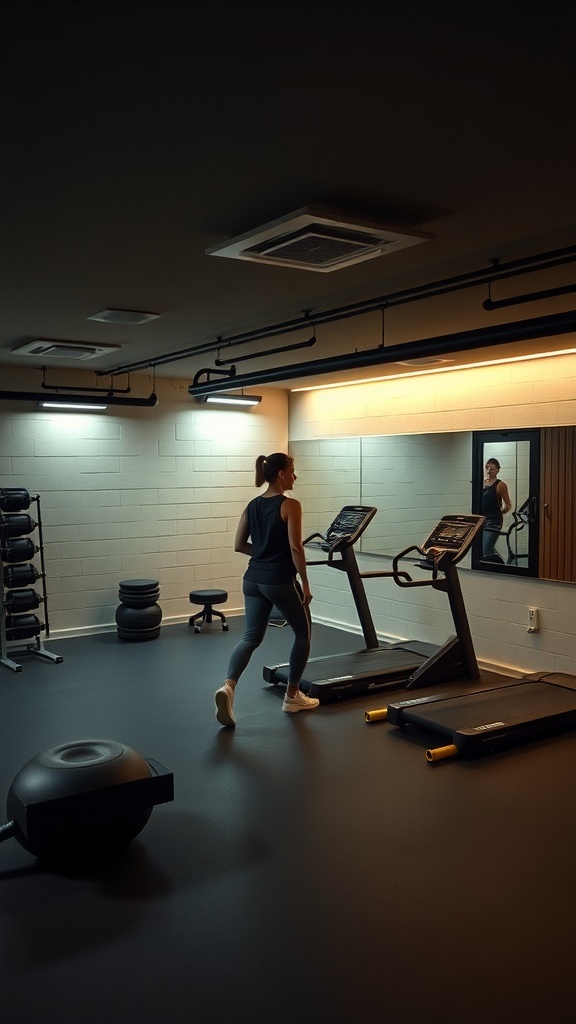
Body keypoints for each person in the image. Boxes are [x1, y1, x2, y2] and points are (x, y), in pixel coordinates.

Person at [214, 452, 319, 727]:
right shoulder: (290, 505)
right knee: (303, 634)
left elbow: (239, 545)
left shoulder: (252, 505)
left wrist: (262, 554)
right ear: (281, 474)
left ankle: (228, 687)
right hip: (279, 581)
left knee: (251, 637)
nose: (295, 476)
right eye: (293, 471)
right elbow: (296, 548)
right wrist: (305, 583)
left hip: (252, 579)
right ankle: (293, 696)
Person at [481, 458, 512, 562]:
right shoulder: (481, 483)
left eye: (492, 469)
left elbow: (508, 504)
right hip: (481, 520)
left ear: (498, 470)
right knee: (483, 548)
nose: (489, 471)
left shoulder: (500, 485)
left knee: (487, 547)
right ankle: (495, 564)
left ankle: (500, 566)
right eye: (487, 468)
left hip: (493, 520)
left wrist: (503, 510)